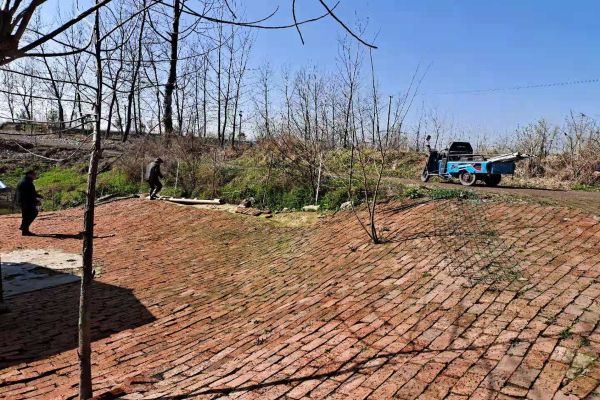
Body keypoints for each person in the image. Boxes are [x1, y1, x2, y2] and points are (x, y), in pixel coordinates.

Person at [16, 170, 43, 236]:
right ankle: (23, 227)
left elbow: (31, 192)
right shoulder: (26, 182)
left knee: (26, 216)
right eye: (33, 174)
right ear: (29, 174)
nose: (35, 176)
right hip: (26, 201)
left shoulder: (25, 181)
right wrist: (36, 201)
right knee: (33, 213)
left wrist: (39, 196)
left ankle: (25, 231)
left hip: (23, 201)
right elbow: (29, 194)